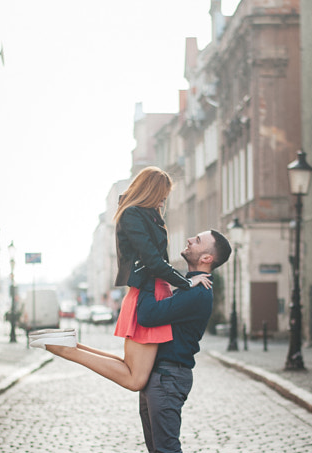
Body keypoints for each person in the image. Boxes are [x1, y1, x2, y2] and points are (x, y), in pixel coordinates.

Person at [29, 167, 210, 391]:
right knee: (135, 379)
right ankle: (67, 349)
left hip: (151, 290)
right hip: (150, 291)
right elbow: (153, 260)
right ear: (150, 192)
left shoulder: (145, 214)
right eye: (161, 197)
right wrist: (186, 282)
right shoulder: (134, 214)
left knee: (129, 368)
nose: (163, 203)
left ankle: (69, 345)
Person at [131, 229, 230, 453]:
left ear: (207, 258)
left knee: (168, 450)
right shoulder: (189, 286)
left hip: (169, 377)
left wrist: (147, 272)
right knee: (158, 450)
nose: (189, 240)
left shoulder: (197, 292)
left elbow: (147, 315)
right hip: (158, 375)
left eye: (198, 241)